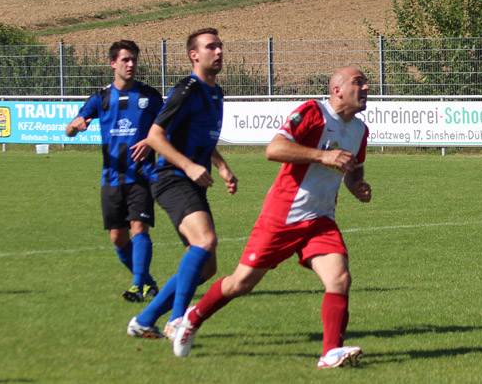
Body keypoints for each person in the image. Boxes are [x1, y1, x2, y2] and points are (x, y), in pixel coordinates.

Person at [170, 67, 372, 369]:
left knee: (340, 278)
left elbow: (354, 170)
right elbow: (274, 149)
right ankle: (193, 318)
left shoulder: (359, 131)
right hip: (283, 215)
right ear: (337, 90)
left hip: (320, 219)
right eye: (359, 82)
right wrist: (322, 155)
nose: (366, 87)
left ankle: (330, 352)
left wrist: (356, 186)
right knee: (241, 283)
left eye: (366, 83)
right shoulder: (313, 112)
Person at [126, 29, 238, 340]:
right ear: (194, 55)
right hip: (171, 178)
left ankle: (144, 320)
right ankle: (177, 320)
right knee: (205, 241)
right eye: (211, 46)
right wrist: (188, 165)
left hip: (192, 182)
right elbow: (154, 136)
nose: (218, 51)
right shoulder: (187, 89)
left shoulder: (215, 92)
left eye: (220, 46)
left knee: (206, 267)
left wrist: (222, 166)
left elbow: (201, 138)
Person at [66, 40, 164, 302]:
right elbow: (69, 130)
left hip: (142, 174)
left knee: (139, 227)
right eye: (125, 60)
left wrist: (150, 141)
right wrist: (75, 125)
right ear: (113, 63)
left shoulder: (150, 97)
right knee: (117, 237)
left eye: (134, 59)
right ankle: (149, 283)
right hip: (111, 177)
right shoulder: (101, 98)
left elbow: (167, 128)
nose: (131, 64)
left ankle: (137, 286)